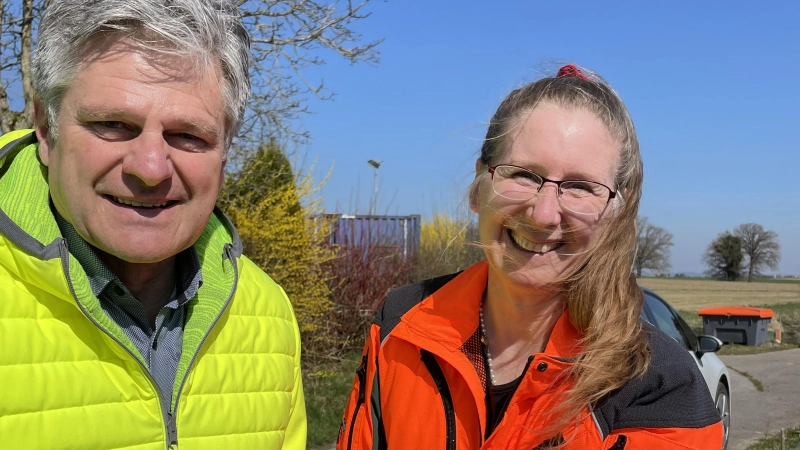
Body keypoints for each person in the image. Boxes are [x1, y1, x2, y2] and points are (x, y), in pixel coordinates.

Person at [338, 65, 723, 449]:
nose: (543, 214)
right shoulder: (401, 324)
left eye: (579, 187)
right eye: (523, 175)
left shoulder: (659, 386)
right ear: (479, 187)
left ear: (613, 213)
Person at [0, 1, 305, 448]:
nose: (150, 168)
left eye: (188, 136)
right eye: (113, 124)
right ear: (46, 129)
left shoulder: (267, 315)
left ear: (225, 150)